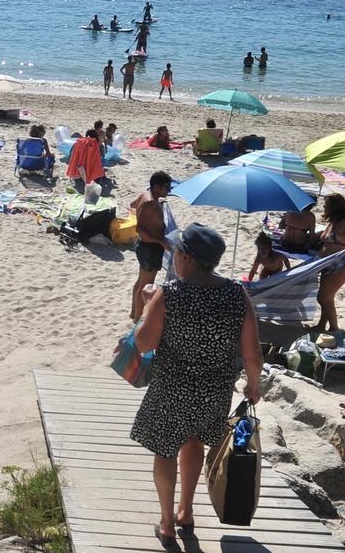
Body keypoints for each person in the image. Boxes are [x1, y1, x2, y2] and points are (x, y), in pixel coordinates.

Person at [130, 223, 262, 552]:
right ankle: (185, 512)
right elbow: (253, 353)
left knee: (165, 452)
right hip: (214, 391)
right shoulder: (236, 293)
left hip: (170, 388)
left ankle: (166, 523)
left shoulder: (169, 294)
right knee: (195, 445)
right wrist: (254, 387)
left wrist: (147, 306)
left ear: (186, 258)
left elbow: (144, 342)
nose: (173, 257)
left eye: (175, 252)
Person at [131, 171, 173, 320]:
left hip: (144, 247)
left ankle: (133, 313)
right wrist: (162, 241)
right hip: (150, 249)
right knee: (146, 286)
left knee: (141, 281)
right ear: (157, 187)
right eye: (167, 188)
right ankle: (137, 319)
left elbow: (132, 205)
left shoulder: (145, 195)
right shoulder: (151, 203)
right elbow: (140, 229)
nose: (169, 191)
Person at [312, 194, 345, 332]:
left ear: (334, 207)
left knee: (322, 298)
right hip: (328, 264)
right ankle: (322, 325)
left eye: (326, 205)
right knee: (328, 298)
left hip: (341, 266)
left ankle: (334, 328)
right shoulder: (333, 222)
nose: (324, 207)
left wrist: (338, 242)